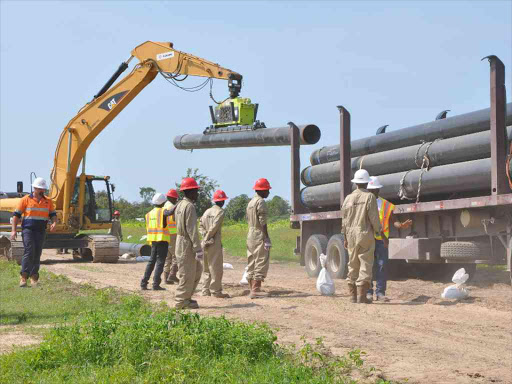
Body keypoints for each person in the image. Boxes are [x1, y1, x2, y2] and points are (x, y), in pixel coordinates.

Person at [366, 176, 412, 302]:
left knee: (382, 266)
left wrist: (401, 225)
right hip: (368, 239)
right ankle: (368, 292)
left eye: (374, 189)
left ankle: (380, 293)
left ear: (378, 190)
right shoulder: (363, 203)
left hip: (382, 240)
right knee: (368, 266)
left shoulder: (386, 205)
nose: (372, 192)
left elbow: (394, 221)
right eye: (370, 189)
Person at [341, 169, 383, 304]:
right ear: (367, 183)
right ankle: (362, 296)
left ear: (356, 183)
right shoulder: (369, 197)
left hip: (351, 234)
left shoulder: (348, 198)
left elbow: (344, 220)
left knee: (352, 264)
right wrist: (379, 231)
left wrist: (345, 237)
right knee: (365, 263)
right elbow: (374, 218)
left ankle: (352, 296)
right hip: (364, 233)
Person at [11, 177, 57, 287]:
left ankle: (34, 278)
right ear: (34, 188)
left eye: (43, 189)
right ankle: (23, 277)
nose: (42, 191)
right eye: (40, 189)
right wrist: (13, 230)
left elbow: (53, 215)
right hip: (28, 230)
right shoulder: (25, 199)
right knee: (29, 251)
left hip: (41, 231)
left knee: (37, 253)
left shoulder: (48, 201)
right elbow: (16, 216)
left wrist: (54, 223)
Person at [174, 177, 203, 309]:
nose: (197, 194)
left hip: (181, 241)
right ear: (190, 192)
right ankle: (181, 301)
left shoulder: (179, 204)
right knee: (186, 273)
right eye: (196, 191)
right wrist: (198, 248)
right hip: (186, 243)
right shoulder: (189, 206)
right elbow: (192, 229)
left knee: (197, 271)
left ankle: (187, 297)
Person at [199, 190, 230, 298]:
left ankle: (205, 291)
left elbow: (200, 225)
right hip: (213, 242)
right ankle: (216, 292)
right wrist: (208, 238)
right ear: (222, 201)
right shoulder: (220, 212)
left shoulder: (207, 211)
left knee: (206, 268)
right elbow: (214, 227)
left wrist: (204, 237)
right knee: (215, 267)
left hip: (204, 242)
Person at [140, 193, 172, 291]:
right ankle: (156, 284)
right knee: (160, 262)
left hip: (153, 240)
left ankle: (144, 283)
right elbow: (171, 212)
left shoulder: (148, 214)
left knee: (151, 261)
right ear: (164, 202)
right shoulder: (164, 212)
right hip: (162, 239)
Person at [246, 178, 272, 299]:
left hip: (250, 233)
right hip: (258, 233)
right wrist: (266, 237)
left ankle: (252, 288)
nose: (268, 193)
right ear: (262, 190)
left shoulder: (251, 202)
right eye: (267, 190)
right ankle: (256, 290)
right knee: (261, 259)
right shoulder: (260, 202)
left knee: (252, 260)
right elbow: (262, 221)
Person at [163, 189, 179, 284]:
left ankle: (166, 278)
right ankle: (172, 275)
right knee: (176, 255)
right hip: (173, 234)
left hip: (165, 234)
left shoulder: (164, 206)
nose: (176, 200)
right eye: (175, 199)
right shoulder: (172, 207)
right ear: (172, 197)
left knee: (167, 257)